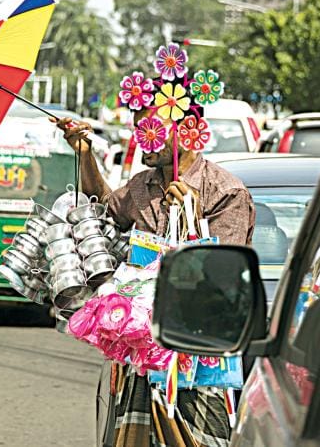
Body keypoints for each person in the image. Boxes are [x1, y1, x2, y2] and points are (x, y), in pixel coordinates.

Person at [51, 43, 255, 447]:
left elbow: (222, 281)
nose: (143, 140)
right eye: (139, 130)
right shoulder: (142, 186)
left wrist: (194, 218)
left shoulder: (225, 194)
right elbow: (106, 209)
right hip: (140, 359)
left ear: (186, 129)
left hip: (197, 360)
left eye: (154, 131)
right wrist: (85, 154)